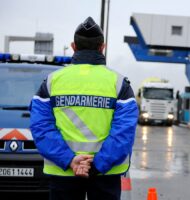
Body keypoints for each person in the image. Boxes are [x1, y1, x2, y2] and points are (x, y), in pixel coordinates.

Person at [30, 17, 138, 200]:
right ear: (102, 47)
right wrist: (97, 165)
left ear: (73, 47)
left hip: (63, 172)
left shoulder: (51, 82)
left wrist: (70, 160)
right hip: (105, 174)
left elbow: (41, 128)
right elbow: (124, 133)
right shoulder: (119, 84)